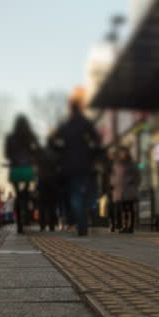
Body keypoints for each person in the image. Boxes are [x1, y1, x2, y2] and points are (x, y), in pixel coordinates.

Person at [51, 98, 101, 237]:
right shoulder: (86, 123)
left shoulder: (66, 126)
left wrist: (61, 150)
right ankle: (84, 216)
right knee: (86, 193)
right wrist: (92, 152)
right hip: (86, 164)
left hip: (69, 166)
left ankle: (81, 222)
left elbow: (53, 141)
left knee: (75, 195)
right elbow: (97, 140)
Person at [5, 115, 40, 234]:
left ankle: (19, 221)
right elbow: (37, 149)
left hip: (15, 168)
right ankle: (25, 209)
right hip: (27, 169)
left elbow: (7, 154)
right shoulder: (30, 136)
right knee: (25, 192)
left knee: (17, 194)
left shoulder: (10, 137)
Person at [111, 146, 140, 234]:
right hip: (120, 189)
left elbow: (137, 176)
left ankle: (130, 227)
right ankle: (124, 226)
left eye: (123, 152)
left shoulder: (132, 164)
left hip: (129, 189)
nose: (122, 154)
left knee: (129, 207)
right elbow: (113, 175)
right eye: (121, 152)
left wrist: (132, 183)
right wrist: (113, 183)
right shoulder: (117, 164)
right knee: (123, 208)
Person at [36, 139, 61, 231]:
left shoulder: (41, 154)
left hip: (42, 180)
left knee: (42, 204)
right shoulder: (56, 154)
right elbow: (59, 167)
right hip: (52, 181)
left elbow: (37, 167)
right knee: (52, 204)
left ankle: (42, 225)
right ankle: (51, 225)